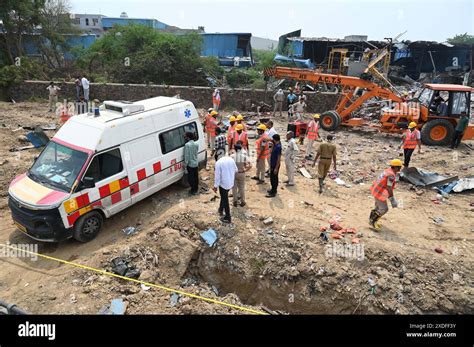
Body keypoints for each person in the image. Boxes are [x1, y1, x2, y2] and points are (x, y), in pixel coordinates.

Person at [369, 159, 403, 231]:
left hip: (376, 189)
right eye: (399, 167)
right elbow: (389, 187)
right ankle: (373, 222)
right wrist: (392, 199)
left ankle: (371, 219)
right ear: (395, 167)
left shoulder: (388, 170)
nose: (400, 168)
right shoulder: (391, 175)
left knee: (378, 207)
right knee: (384, 209)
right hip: (379, 192)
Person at [213, 155, 238, 223]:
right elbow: (236, 170)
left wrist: (215, 186)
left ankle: (228, 217)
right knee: (224, 197)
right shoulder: (231, 159)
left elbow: (217, 176)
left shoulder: (218, 163)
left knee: (225, 199)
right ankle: (221, 209)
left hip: (223, 184)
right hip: (230, 183)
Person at [231, 141, 252, 207]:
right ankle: (243, 201)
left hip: (234, 173)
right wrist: (245, 170)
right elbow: (250, 165)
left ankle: (235, 201)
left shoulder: (232, 156)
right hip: (241, 173)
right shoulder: (244, 156)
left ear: (235, 149)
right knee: (242, 188)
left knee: (234, 188)